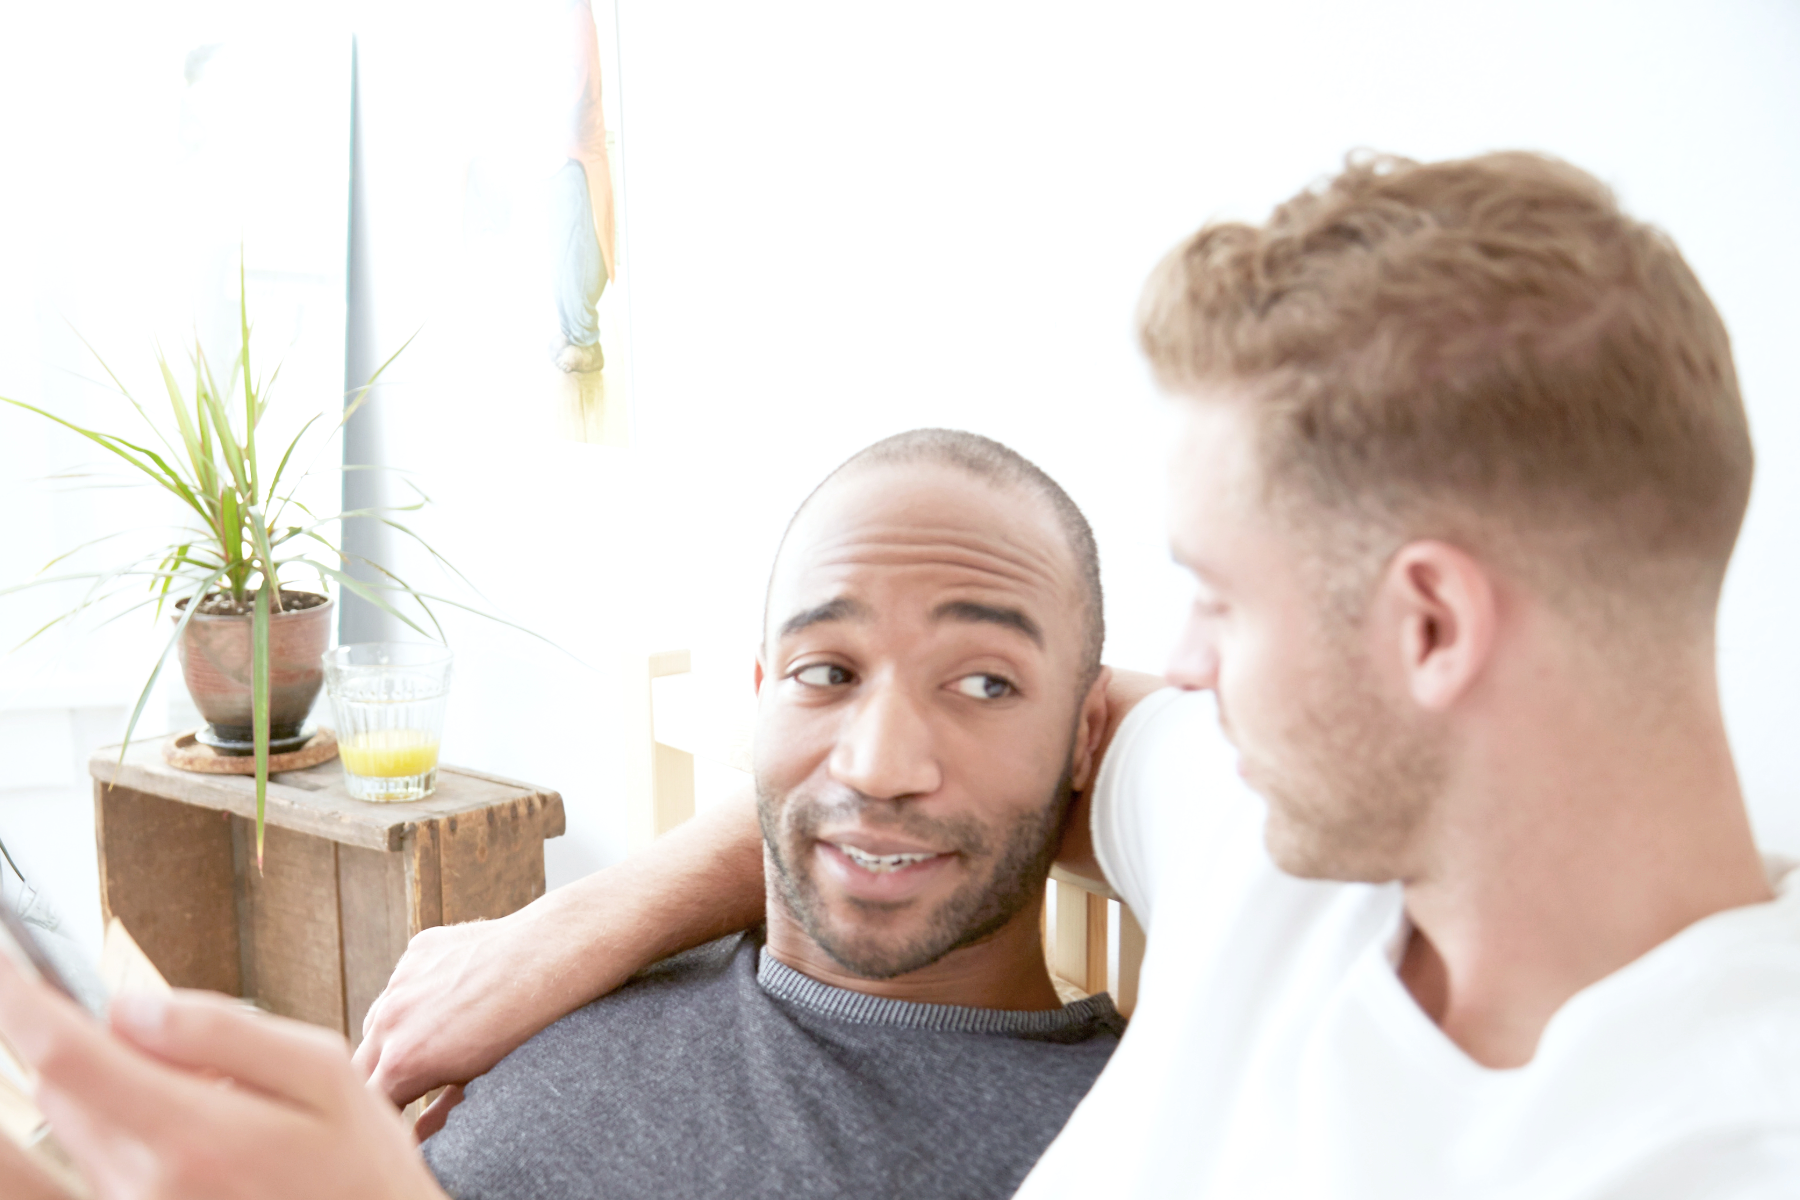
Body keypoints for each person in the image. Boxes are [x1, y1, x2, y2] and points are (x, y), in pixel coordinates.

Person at [360, 151, 1800, 1195]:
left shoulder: (1715, 1142)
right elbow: (949, 752)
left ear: (1428, 630)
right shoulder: (1262, 831)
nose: (1178, 672)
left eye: (1225, 604)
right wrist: (566, 933)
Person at [0, 429, 1125, 1200]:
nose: (879, 765)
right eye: (827, 672)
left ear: (1088, 739)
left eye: (985, 684)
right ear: (756, 702)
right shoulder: (553, 980)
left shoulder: (1124, 1130)